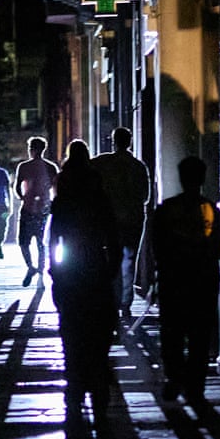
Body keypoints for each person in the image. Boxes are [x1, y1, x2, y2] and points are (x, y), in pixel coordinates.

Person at [150, 156, 220, 406]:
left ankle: (174, 377)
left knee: (172, 333)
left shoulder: (167, 209)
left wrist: (158, 276)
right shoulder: (210, 210)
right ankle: (195, 386)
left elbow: (159, 247)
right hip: (203, 278)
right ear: (202, 179)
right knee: (200, 335)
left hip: (173, 279)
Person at [48, 139, 121, 418]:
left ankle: (76, 386)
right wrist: (111, 266)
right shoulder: (98, 196)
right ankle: (99, 383)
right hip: (95, 263)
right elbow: (111, 236)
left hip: (71, 266)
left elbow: (54, 238)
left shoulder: (63, 200)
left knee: (71, 328)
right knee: (100, 328)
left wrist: (54, 268)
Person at [90, 127, 151, 322]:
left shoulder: (102, 162)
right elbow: (145, 196)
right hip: (133, 218)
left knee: (111, 258)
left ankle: (114, 299)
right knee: (130, 259)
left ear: (113, 141)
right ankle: (126, 302)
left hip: (109, 219)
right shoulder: (139, 166)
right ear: (130, 142)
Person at [14, 135, 60, 287]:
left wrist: (23, 197)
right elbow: (56, 188)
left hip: (27, 208)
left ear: (31, 149)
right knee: (41, 243)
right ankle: (40, 273)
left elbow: (17, 186)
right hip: (44, 209)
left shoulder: (24, 166)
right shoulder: (51, 167)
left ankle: (31, 267)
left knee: (23, 242)